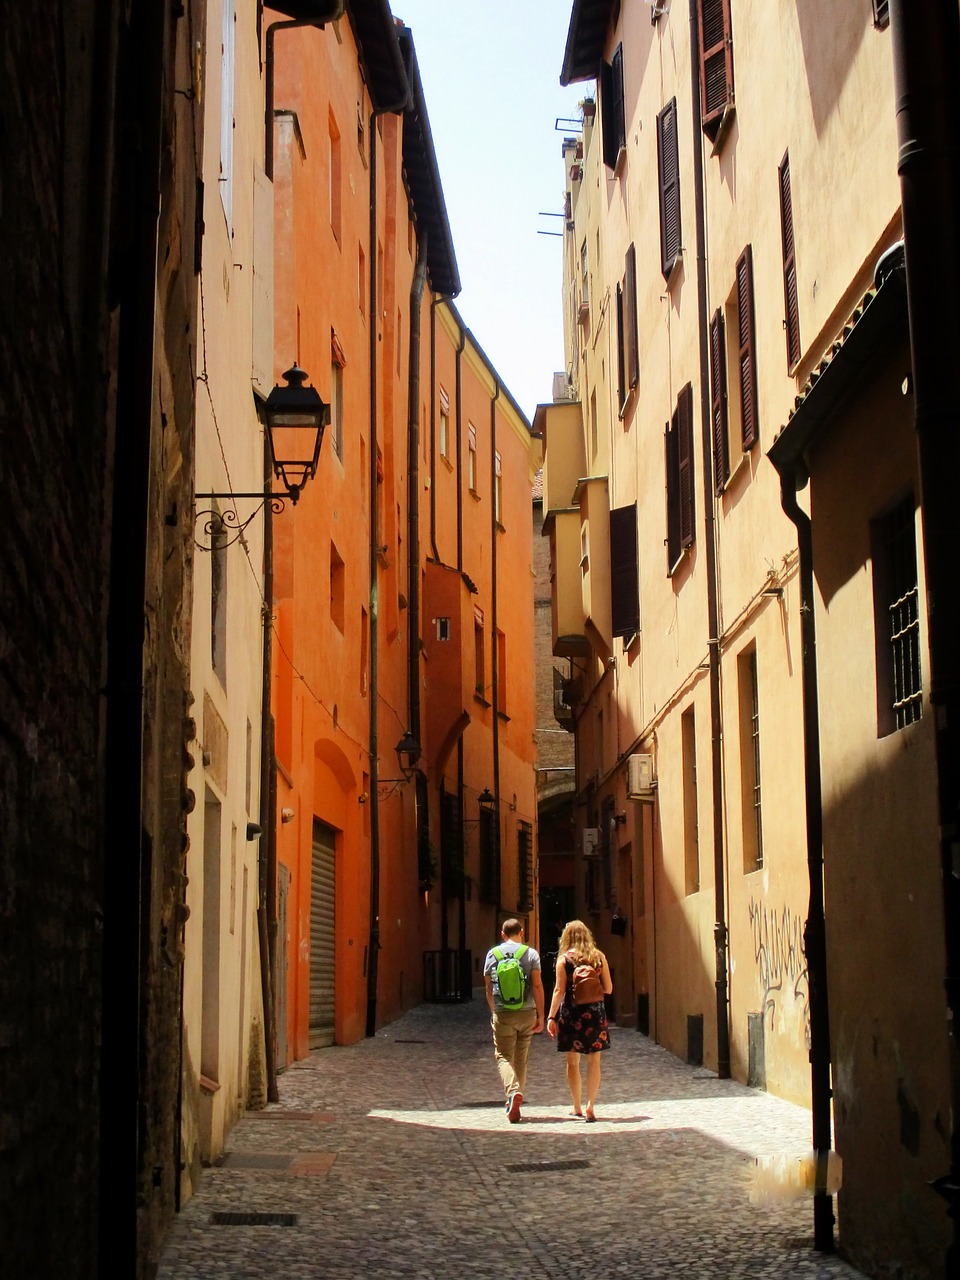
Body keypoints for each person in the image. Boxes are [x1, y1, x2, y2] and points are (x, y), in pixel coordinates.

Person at [545, 919, 613, 1121]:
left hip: (571, 1014)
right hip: (595, 1014)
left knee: (572, 1062)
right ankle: (591, 1105)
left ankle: (577, 1106)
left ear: (566, 938)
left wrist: (551, 1016)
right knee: (594, 1060)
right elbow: (609, 989)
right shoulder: (598, 957)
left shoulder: (564, 960)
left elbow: (558, 991)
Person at [483, 918, 544, 1123]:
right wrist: (541, 1014)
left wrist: (494, 1011)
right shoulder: (531, 954)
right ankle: (515, 1098)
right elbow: (537, 986)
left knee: (502, 1055)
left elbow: (489, 989)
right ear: (522, 932)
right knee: (521, 1056)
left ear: (502, 934)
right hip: (527, 1012)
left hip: (503, 1013)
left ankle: (512, 1093)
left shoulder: (493, 954)